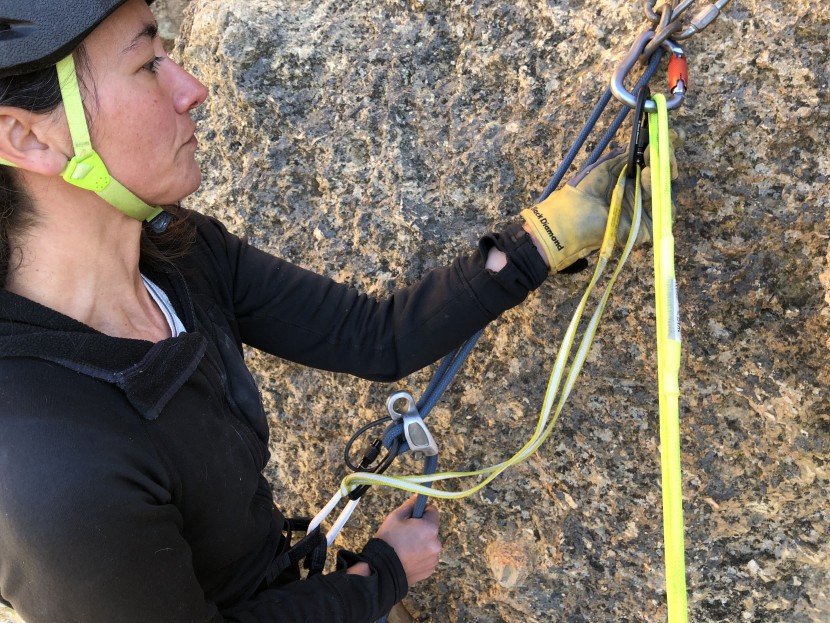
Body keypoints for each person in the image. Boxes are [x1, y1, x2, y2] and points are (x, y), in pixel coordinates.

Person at [0, 1, 659, 621]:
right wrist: (380, 575)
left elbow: (373, 336)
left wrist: (547, 235)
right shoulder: (47, 465)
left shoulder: (177, 256)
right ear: (28, 137)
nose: (192, 87)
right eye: (148, 65)